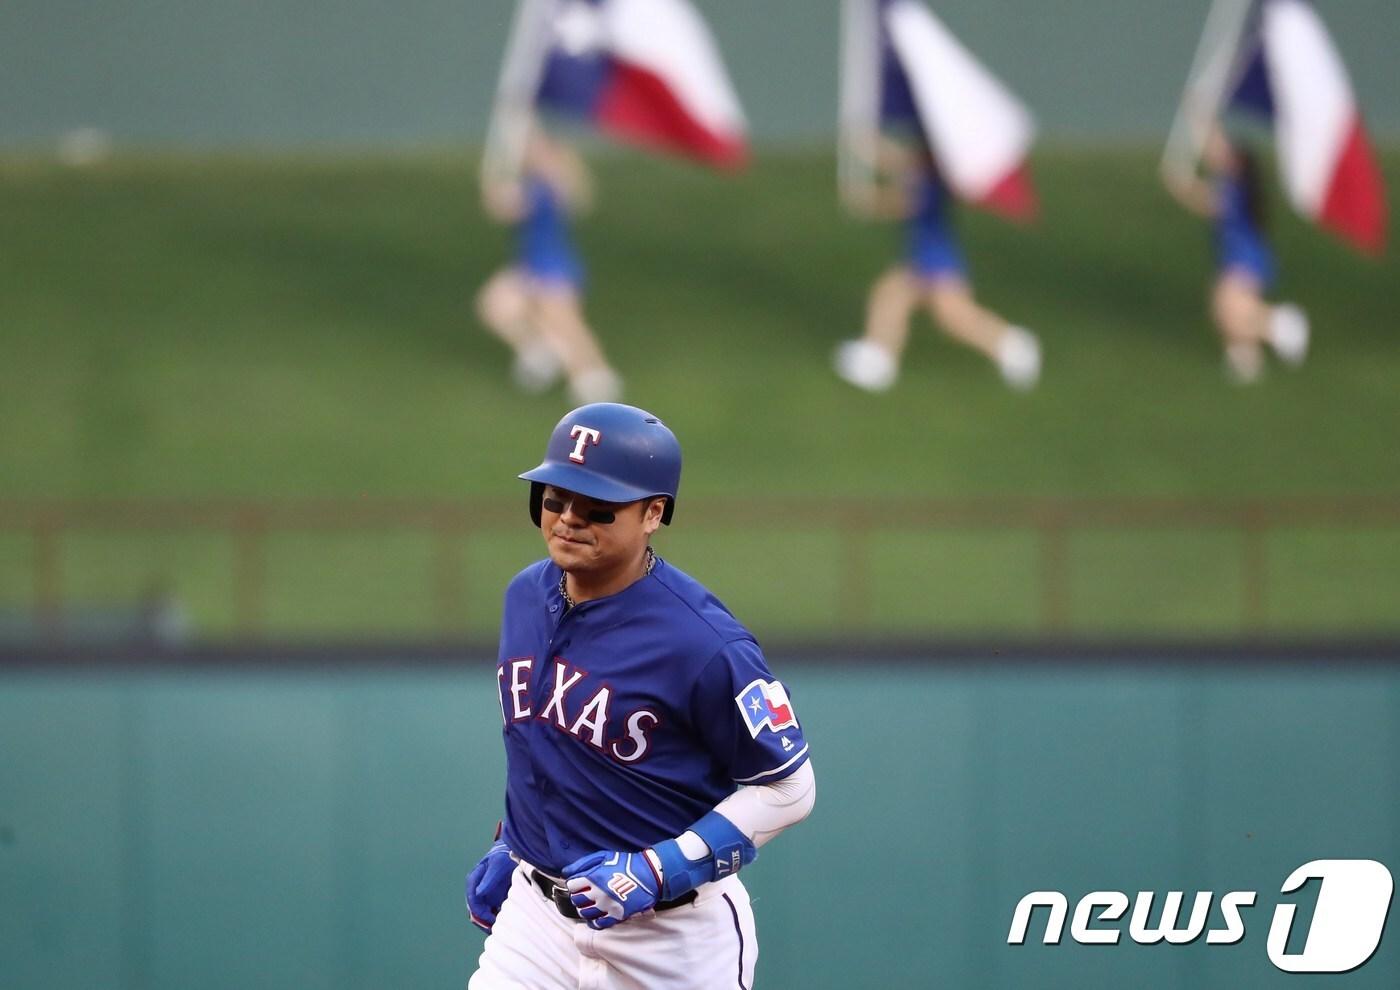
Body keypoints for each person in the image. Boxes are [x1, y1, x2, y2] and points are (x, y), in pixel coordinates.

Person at [466, 402, 815, 990]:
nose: (569, 519)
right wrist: (514, 844)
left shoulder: (703, 642)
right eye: (554, 498)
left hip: (673, 940)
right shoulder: (525, 596)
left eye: (598, 506)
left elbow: (789, 788)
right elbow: (543, 747)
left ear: (653, 512)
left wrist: (658, 871)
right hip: (536, 926)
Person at [834, 136, 1041, 392]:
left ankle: (1012, 346)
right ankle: (879, 358)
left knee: (954, 316)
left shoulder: (931, 180)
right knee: (890, 296)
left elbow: (902, 203)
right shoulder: (921, 168)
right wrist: (865, 145)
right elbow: (897, 161)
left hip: (936, 259)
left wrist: (866, 202)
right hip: (921, 257)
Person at [476, 127, 623, 403]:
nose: (529, 154)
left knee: (566, 325)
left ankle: (594, 376)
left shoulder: (548, 188)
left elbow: (507, 207)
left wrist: (492, 188)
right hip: (530, 267)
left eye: (537, 149)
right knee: (496, 307)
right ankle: (539, 351)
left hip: (553, 268)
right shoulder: (539, 184)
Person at [1161, 124, 1309, 383]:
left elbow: (1203, 200)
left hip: (1245, 258)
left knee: (1227, 307)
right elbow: (1212, 145)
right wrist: (1199, 114)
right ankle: (1246, 358)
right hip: (1239, 258)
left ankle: (1281, 326)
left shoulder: (1233, 189)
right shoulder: (1231, 182)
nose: (1219, 155)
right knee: (1228, 312)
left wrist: (1176, 182)